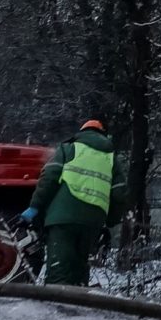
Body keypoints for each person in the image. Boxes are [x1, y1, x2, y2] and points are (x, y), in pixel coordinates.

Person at [22, 117, 115, 286]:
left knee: (59, 269)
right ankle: (77, 305)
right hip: (93, 222)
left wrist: (35, 207)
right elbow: (120, 191)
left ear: (82, 132)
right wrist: (111, 220)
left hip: (62, 218)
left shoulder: (69, 148)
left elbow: (49, 178)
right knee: (79, 268)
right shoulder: (112, 157)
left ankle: (54, 308)